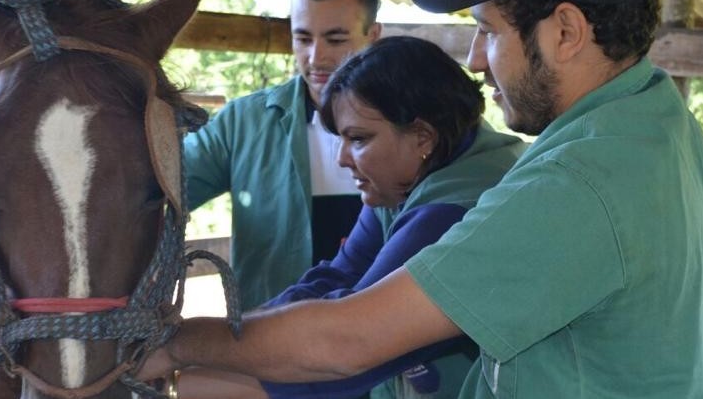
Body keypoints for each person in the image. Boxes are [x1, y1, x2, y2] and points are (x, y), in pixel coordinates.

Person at [144, 0, 703, 398]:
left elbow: (348, 343)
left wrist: (176, 342)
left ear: (565, 31)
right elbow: (339, 280)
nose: (477, 58)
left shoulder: (575, 181)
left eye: (488, 30)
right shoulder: (657, 119)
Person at [167, 36, 525, 399]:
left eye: (358, 139)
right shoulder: (405, 182)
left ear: (422, 137)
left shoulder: (455, 209)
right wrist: (234, 342)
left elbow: (344, 349)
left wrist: (178, 355)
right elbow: (335, 277)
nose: (342, 158)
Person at [184, 0, 382, 311]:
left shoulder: (418, 125)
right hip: (271, 349)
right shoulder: (241, 123)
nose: (316, 57)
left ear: (373, 36)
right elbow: (159, 186)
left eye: (336, 40)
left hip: (392, 347)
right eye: (302, 38)